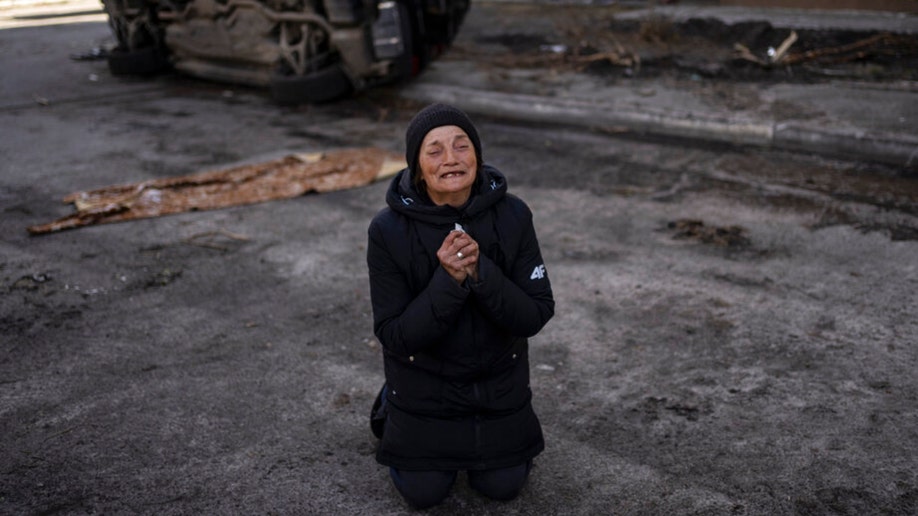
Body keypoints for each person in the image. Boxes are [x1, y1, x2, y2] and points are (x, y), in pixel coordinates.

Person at [366, 103, 555, 509]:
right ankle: (391, 401)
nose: (450, 159)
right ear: (416, 168)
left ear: (478, 157)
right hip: (425, 387)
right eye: (434, 151)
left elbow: (536, 313)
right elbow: (395, 336)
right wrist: (449, 281)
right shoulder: (386, 231)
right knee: (424, 493)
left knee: (502, 486)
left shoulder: (514, 215)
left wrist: (479, 272)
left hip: (497, 387)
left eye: (461, 146)